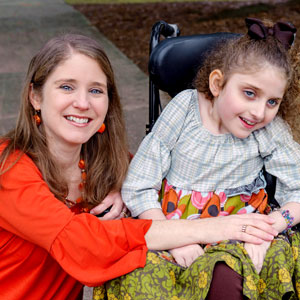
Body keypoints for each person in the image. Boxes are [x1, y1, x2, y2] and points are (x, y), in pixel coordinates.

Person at [0, 33, 277, 300]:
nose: (82, 103)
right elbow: (81, 241)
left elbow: (152, 178)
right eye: (66, 87)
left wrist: (126, 184)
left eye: (96, 90)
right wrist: (218, 227)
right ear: (35, 97)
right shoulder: (8, 168)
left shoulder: (107, 165)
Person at [104, 18, 300, 299]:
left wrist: (271, 228)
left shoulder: (267, 129)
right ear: (218, 83)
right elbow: (139, 185)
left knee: (233, 273)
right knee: (140, 273)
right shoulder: (185, 110)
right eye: (249, 93)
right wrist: (174, 239)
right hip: (175, 227)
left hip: (242, 232)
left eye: (272, 102)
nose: (259, 112)